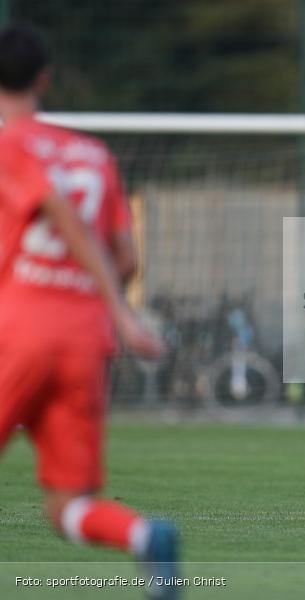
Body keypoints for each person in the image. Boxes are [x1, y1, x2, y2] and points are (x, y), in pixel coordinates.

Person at [0, 25, 180, 598]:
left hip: (22, 327)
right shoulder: (94, 153)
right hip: (85, 339)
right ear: (45, 78)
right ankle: (144, 536)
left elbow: (61, 216)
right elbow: (127, 255)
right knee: (66, 507)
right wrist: (111, 309)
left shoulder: (10, 144)